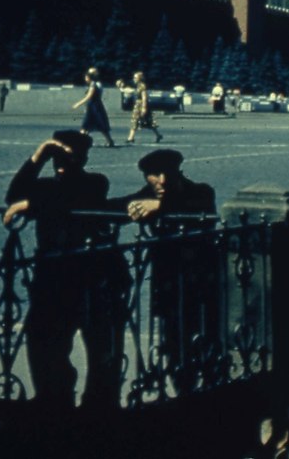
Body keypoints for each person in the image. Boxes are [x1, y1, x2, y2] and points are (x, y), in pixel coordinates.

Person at [2, 130, 128, 411]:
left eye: (69, 159)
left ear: (83, 159)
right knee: (44, 341)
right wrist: (38, 155)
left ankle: (96, 405)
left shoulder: (95, 182)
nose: (60, 164)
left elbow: (70, 199)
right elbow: (12, 194)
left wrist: (30, 204)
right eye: (55, 158)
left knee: (96, 344)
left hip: (87, 276)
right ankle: (54, 397)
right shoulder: (46, 186)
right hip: (50, 276)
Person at [112, 149, 217, 394]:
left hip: (202, 285)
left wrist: (159, 206)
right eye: (154, 175)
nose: (162, 180)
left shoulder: (201, 190)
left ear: (178, 172)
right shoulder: (146, 195)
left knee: (206, 345)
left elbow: (202, 209)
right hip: (169, 286)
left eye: (166, 173)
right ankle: (183, 394)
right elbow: (117, 207)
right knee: (173, 346)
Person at [71, 68, 115, 147]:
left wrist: (78, 104)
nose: (85, 78)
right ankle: (109, 141)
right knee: (89, 125)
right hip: (95, 106)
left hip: (94, 107)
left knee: (86, 125)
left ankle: (81, 141)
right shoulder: (96, 84)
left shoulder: (93, 84)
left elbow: (89, 96)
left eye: (86, 77)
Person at [126, 71, 163, 144]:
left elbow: (144, 97)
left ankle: (131, 138)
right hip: (138, 105)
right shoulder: (138, 86)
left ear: (139, 78)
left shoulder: (142, 86)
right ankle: (158, 135)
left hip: (141, 105)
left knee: (137, 120)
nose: (134, 79)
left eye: (135, 77)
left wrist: (144, 108)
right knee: (145, 121)